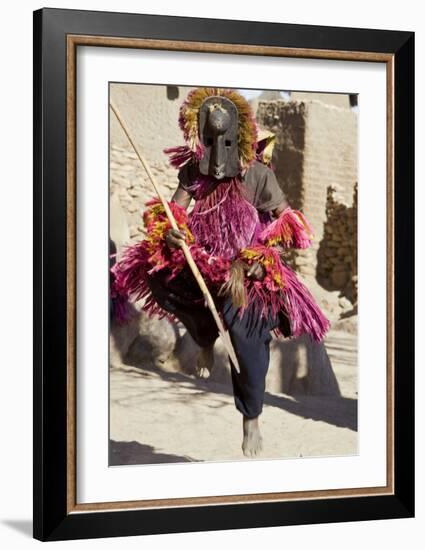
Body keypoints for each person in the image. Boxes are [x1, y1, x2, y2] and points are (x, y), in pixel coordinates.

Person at [111, 88, 329, 457]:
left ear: (240, 137)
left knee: (246, 337)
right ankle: (204, 339)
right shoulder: (195, 171)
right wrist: (172, 230)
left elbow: (288, 223)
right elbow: (171, 211)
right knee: (159, 276)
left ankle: (251, 417)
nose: (217, 148)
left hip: (248, 268)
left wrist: (253, 260)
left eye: (224, 140)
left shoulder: (259, 176)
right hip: (202, 259)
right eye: (209, 140)